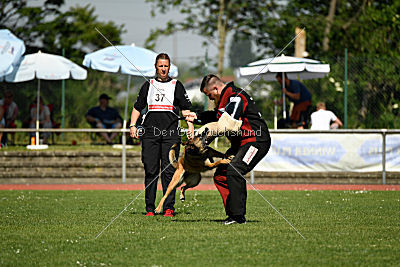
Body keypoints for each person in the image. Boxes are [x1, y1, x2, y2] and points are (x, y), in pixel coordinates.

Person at [186, 74, 271, 225]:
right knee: (221, 175)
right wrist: (197, 117)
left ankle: (238, 217)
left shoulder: (235, 96)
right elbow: (217, 116)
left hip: (256, 141)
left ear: (215, 88)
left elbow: (227, 123)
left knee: (234, 170)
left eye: (209, 95)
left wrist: (205, 134)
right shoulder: (226, 98)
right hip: (241, 143)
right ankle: (232, 215)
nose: (210, 99)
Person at [129, 53, 194, 217]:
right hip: (150, 135)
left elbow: (186, 109)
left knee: (169, 172)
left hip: (171, 135)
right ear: (156, 67)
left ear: (169, 67)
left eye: (166, 66)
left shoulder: (176, 85)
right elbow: (137, 107)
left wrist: (191, 127)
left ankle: (168, 207)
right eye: (160, 66)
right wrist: (132, 125)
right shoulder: (147, 85)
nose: (163, 69)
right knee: (151, 170)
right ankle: (150, 208)